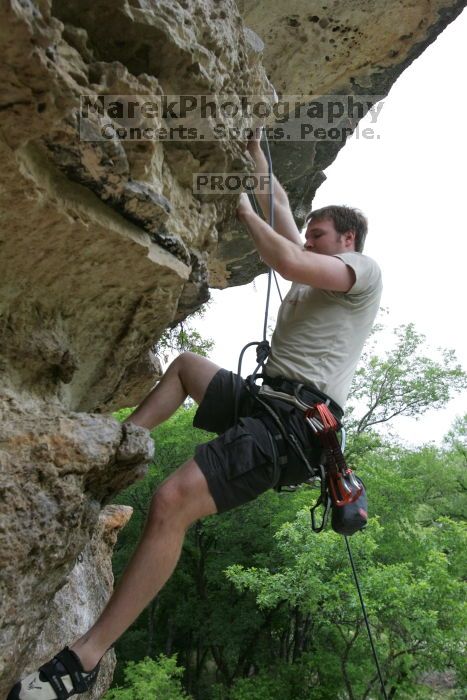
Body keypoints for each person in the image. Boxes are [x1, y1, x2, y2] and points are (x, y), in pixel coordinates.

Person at [7, 137, 382, 699]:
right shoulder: (316, 269)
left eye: (319, 235)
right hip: (269, 401)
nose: (308, 240)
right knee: (185, 367)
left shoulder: (362, 269)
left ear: (346, 240)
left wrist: (241, 209)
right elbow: (280, 203)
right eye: (310, 234)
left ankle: (83, 657)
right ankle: (121, 443)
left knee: (170, 503)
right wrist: (256, 151)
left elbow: (283, 254)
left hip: (292, 427)